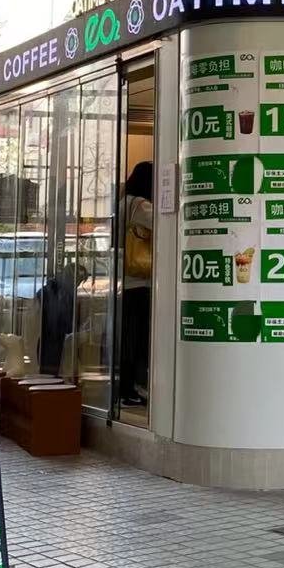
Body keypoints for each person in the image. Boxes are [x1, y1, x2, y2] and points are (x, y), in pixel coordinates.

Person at [119, 161, 153, 407]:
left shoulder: (122, 202)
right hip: (140, 280)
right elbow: (168, 221)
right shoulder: (140, 205)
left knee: (127, 338)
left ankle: (125, 388)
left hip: (126, 281)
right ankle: (132, 388)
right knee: (139, 339)